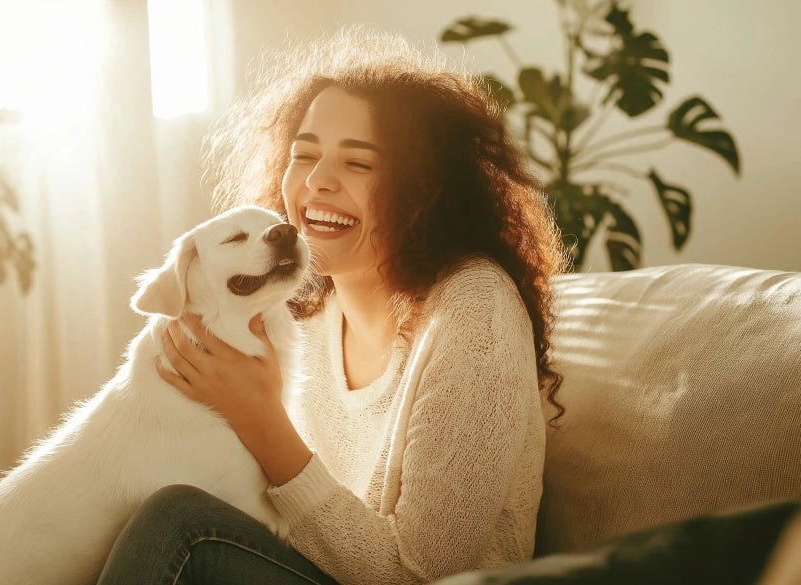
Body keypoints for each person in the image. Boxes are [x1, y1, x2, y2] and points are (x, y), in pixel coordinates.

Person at [94, 27, 567, 585]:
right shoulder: (305, 319)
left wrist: (262, 421)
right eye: (304, 156)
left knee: (180, 524)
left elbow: (420, 574)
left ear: (425, 190)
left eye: (359, 164)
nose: (317, 182)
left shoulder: (474, 311)